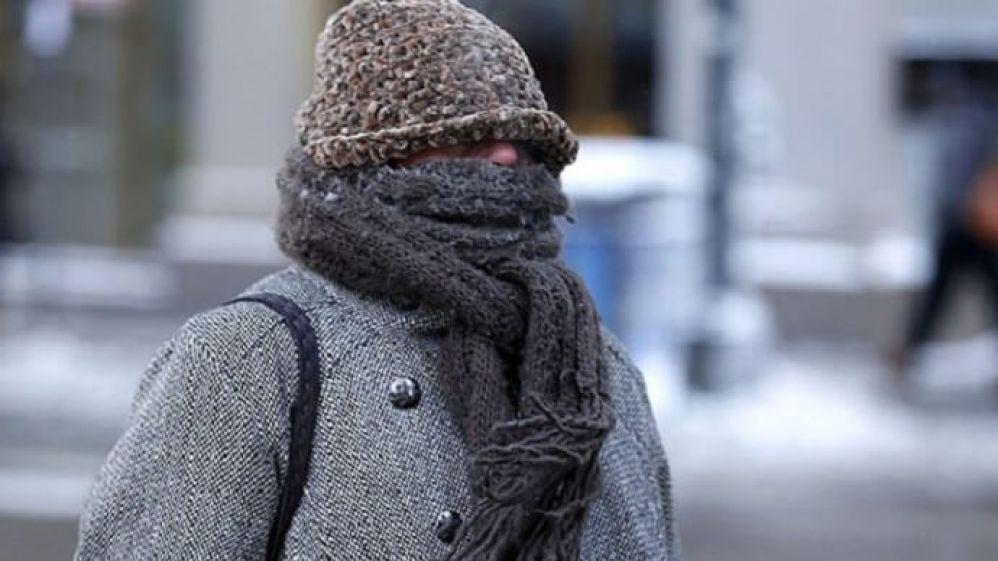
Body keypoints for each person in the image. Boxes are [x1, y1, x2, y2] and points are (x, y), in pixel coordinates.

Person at [74, 2, 680, 560]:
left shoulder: (588, 362)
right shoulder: (247, 359)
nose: (503, 157)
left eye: (521, 140)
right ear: (377, 155)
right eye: (465, 135)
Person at [894, 70, 998, 380]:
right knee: (940, 294)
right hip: (963, 224)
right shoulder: (961, 124)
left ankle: (909, 351)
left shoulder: (975, 124)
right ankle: (909, 351)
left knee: (945, 293)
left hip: (974, 224)